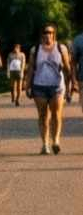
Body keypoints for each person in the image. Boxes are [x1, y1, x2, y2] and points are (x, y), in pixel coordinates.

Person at [27, 24, 74, 154]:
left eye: (50, 32)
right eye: (45, 32)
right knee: (43, 116)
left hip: (57, 87)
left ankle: (56, 141)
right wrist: (27, 86)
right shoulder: (35, 49)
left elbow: (67, 68)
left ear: (54, 34)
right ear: (41, 35)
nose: (47, 34)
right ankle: (45, 144)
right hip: (39, 86)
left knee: (56, 114)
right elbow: (31, 68)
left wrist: (71, 84)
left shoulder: (61, 48)